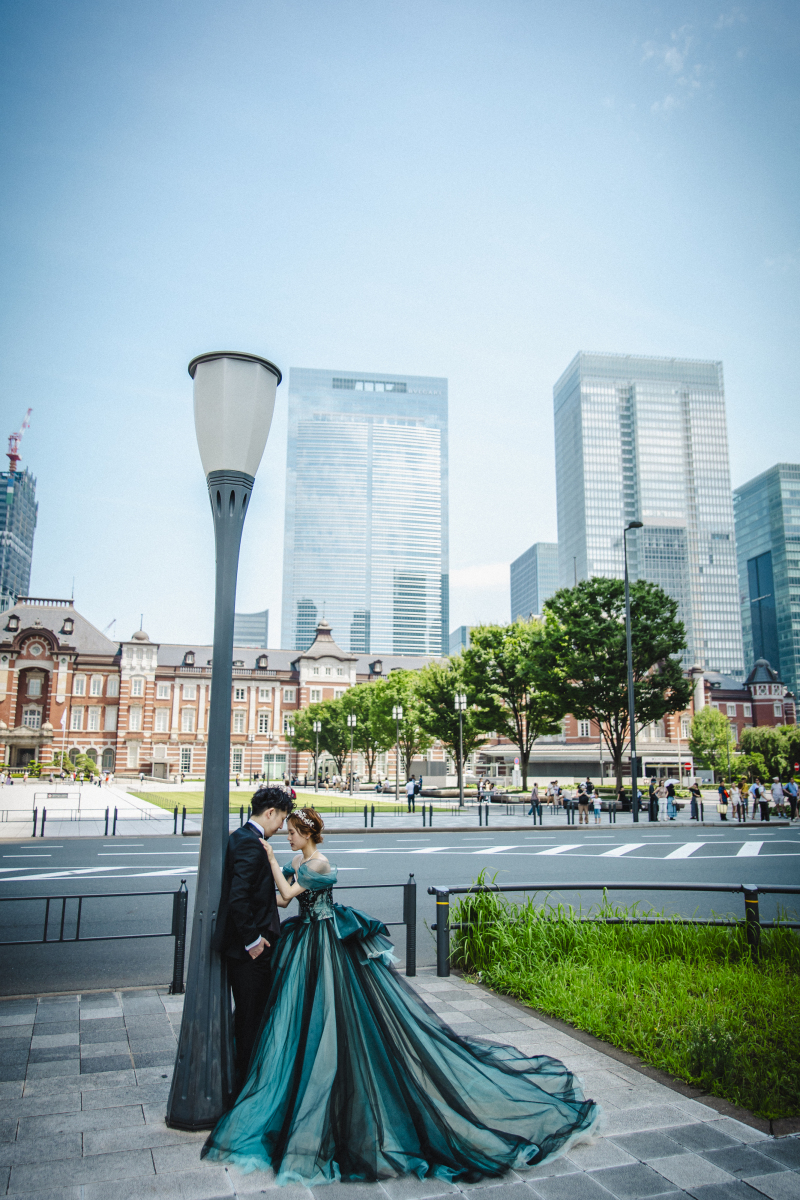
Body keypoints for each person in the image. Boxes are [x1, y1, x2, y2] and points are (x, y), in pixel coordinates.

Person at [202, 806, 600, 1185]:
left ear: (307, 834)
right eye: (286, 832)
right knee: (300, 1013)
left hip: (323, 942)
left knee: (335, 1009)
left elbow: (288, 894)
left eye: (292, 833)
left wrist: (271, 861)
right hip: (304, 939)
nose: (287, 837)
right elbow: (280, 897)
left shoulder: (319, 864)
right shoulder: (298, 861)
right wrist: (259, 886)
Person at [212, 785, 295, 1090]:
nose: (281, 826)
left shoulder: (241, 836)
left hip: (245, 947)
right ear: (270, 812)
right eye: (282, 819)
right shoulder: (251, 843)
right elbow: (239, 897)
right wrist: (254, 941)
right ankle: (244, 1086)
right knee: (251, 1018)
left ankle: (243, 1081)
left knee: (249, 1015)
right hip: (250, 950)